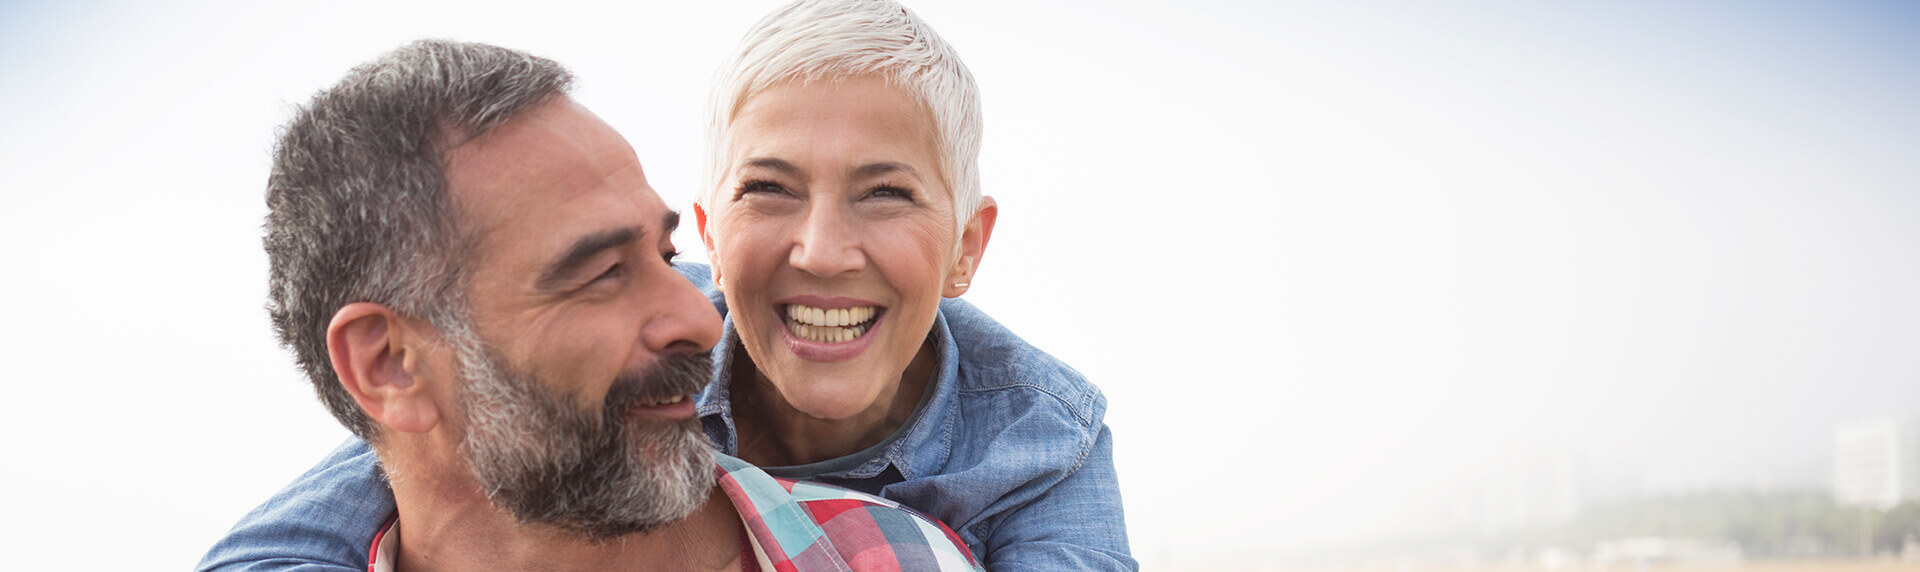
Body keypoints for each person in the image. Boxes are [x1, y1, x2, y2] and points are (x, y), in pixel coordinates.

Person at [201, 1, 1134, 570]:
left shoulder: (1040, 436)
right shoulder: (663, 339)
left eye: (885, 194)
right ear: (714, 237)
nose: (821, 250)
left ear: (967, 249)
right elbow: (395, 459)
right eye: (768, 189)